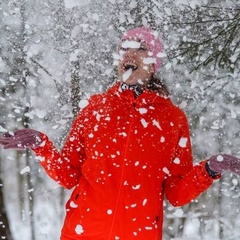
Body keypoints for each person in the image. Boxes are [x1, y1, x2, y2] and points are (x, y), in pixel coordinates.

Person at [0, 27, 239, 240]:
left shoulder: (172, 119)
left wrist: (209, 170)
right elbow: (68, 176)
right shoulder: (95, 109)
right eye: (124, 48)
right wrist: (42, 145)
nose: (129, 54)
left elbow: (176, 193)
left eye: (140, 48)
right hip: (83, 233)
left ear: (154, 63)